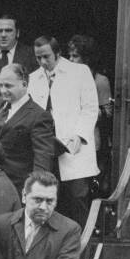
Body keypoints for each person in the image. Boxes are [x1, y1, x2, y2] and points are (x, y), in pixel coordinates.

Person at [28, 35, 99, 227]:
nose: (42, 62)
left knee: (77, 197)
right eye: (38, 58)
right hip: (46, 148)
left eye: (46, 57)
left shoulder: (80, 72)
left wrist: (79, 135)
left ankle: (83, 248)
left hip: (74, 147)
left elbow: (90, 108)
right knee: (48, 197)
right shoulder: (34, 78)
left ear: (58, 54)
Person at [0, 64, 55, 195]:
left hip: (17, 187)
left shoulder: (39, 115)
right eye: (1, 85)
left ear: (24, 84)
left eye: (8, 86)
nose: (3, 90)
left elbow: (43, 157)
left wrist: (34, 188)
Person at [68, 34, 113, 194]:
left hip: (90, 138)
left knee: (83, 188)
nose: (71, 60)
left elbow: (107, 111)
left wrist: (84, 110)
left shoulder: (100, 80)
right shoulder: (67, 78)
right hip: (68, 137)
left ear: (87, 58)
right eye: (70, 56)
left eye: (76, 56)